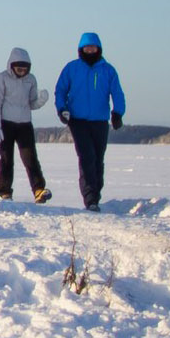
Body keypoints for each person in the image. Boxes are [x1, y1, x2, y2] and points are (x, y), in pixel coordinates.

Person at [54, 33, 126, 211]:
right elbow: (60, 90)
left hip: (100, 121)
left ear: (99, 49)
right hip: (78, 120)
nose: (90, 50)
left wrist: (117, 113)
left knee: (98, 158)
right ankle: (90, 198)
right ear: (81, 49)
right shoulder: (72, 68)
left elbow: (117, 92)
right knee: (87, 157)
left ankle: (95, 193)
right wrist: (61, 108)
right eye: (87, 48)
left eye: (93, 48)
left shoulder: (108, 70)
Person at [0, 47, 51, 202]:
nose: (22, 72)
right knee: (6, 159)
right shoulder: (1, 79)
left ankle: (38, 189)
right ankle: (4, 192)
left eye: (24, 69)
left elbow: (31, 103)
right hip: (5, 124)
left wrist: (41, 101)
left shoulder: (31, 79)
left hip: (24, 124)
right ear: (11, 66)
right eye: (18, 69)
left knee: (30, 159)